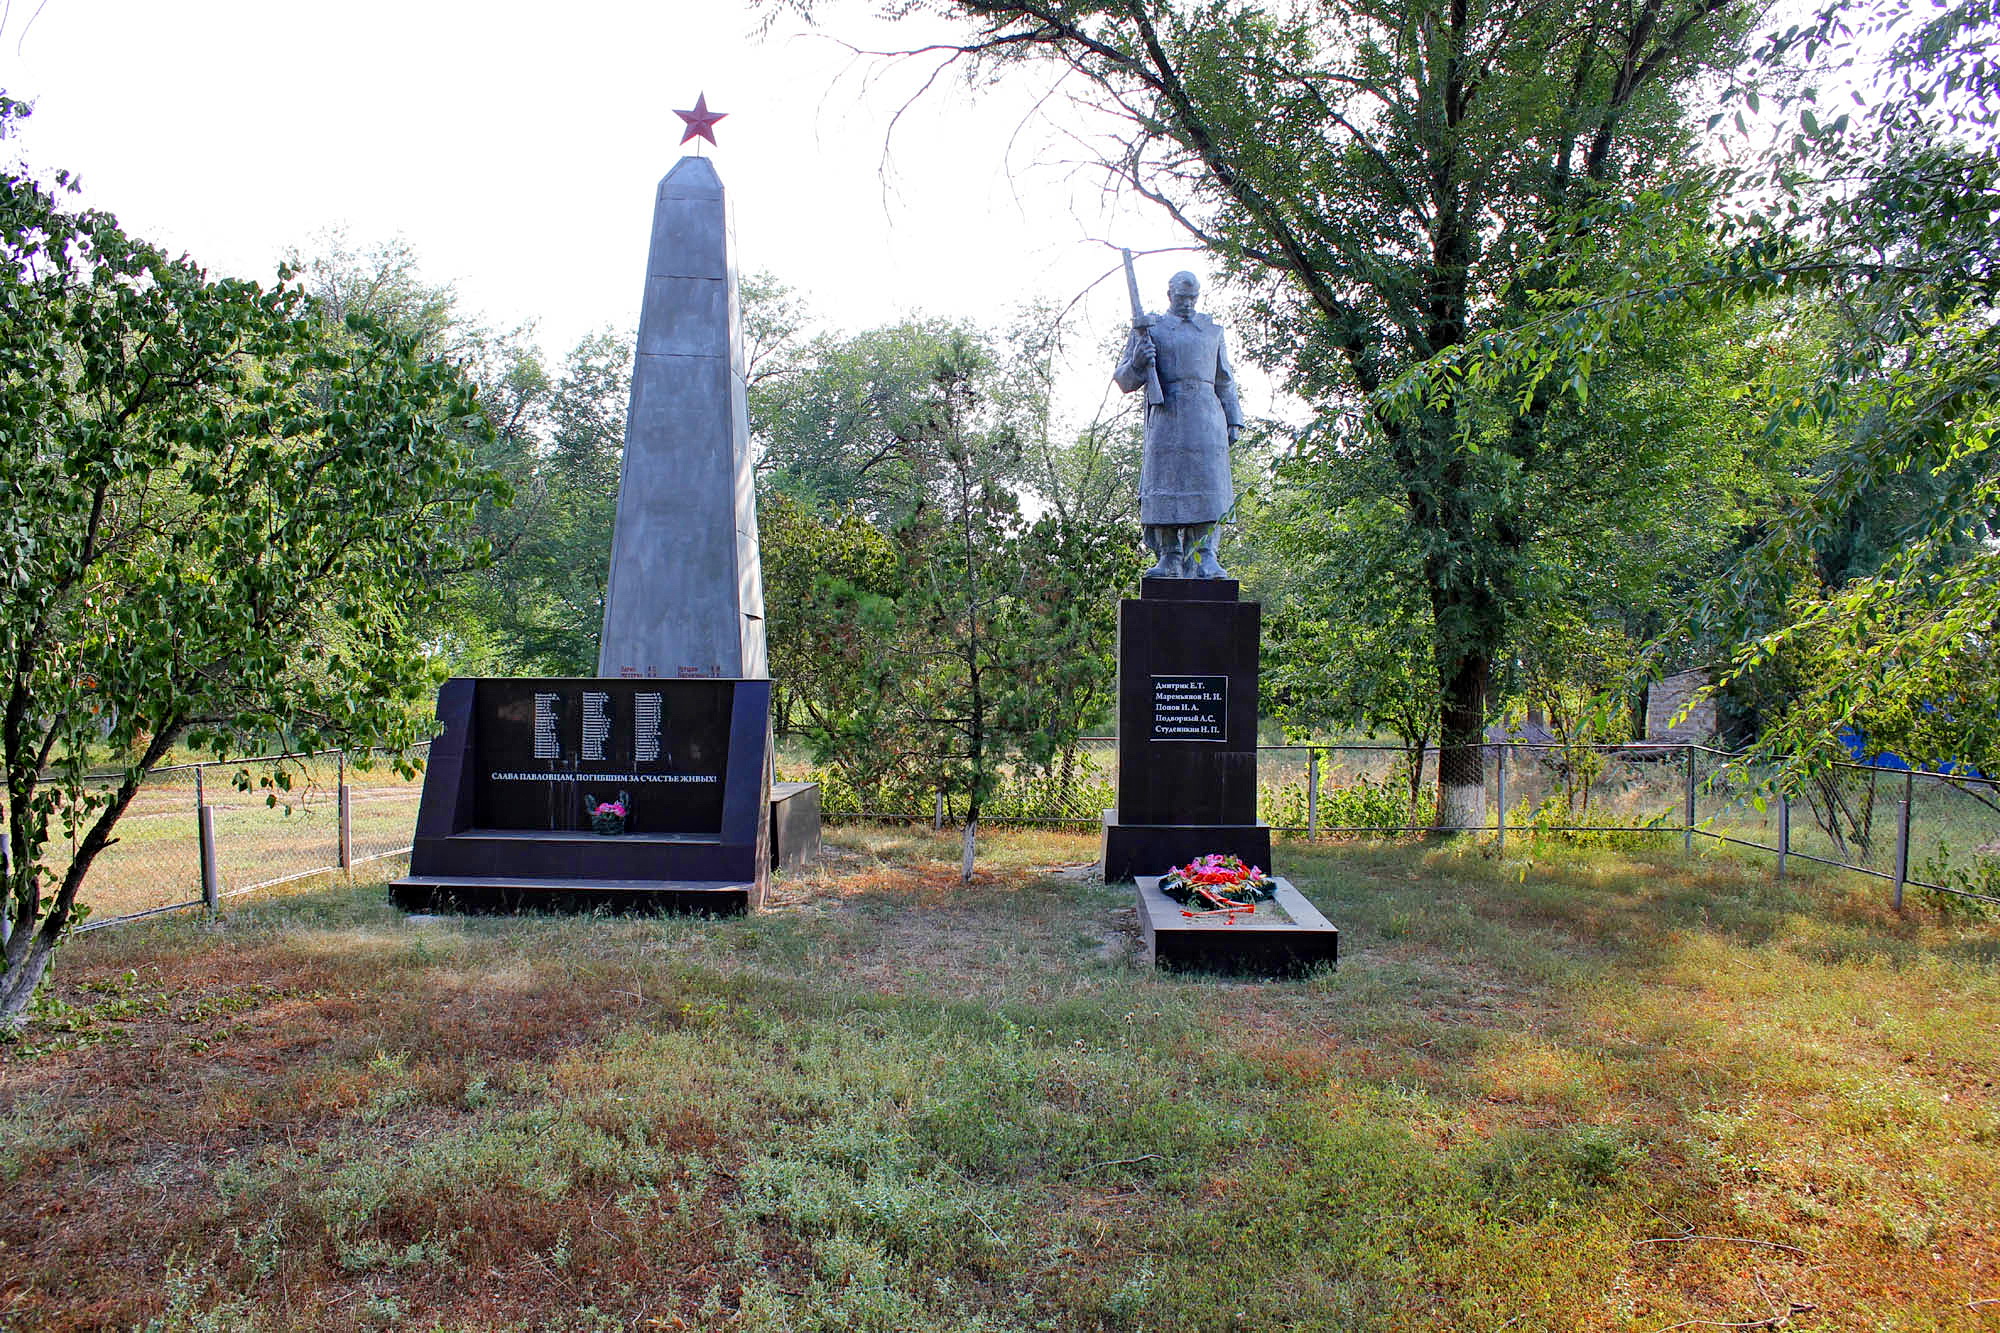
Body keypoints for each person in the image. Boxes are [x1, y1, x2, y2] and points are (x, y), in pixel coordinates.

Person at [1112, 270, 1244, 579]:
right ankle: (1169, 556)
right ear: (1169, 294)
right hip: (1167, 416)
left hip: (1206, 417)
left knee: (1208, 485)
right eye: (1182, 297)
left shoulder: (1211, 331)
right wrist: (1137, 363)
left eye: (1192, 298)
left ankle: (1205, 555)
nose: (1187, 303)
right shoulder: (1150, 329)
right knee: (1165, 485)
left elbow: (1225, 379)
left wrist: (1234, 418)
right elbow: (1123, 380)